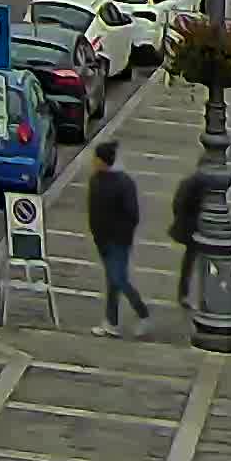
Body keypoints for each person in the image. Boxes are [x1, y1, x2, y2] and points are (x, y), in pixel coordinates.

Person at [86, 141, 151, 336]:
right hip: (103, 239)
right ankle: (111, 322)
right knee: (112, 281)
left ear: (103, 160)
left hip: (118, 240)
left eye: (96, 159)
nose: (93, 162)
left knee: (118, 279)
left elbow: (132, 214)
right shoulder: (96, 180)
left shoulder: (123, 183)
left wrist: (121, 234)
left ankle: (143, 313)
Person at [166, 165, 222, 306]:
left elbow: (177, 204)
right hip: (197, 228)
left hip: (195, 228)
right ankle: (206, 295)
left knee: (193, 262)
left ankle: (188, 294)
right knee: (206, 261)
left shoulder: (191, 181)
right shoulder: (203, 184)